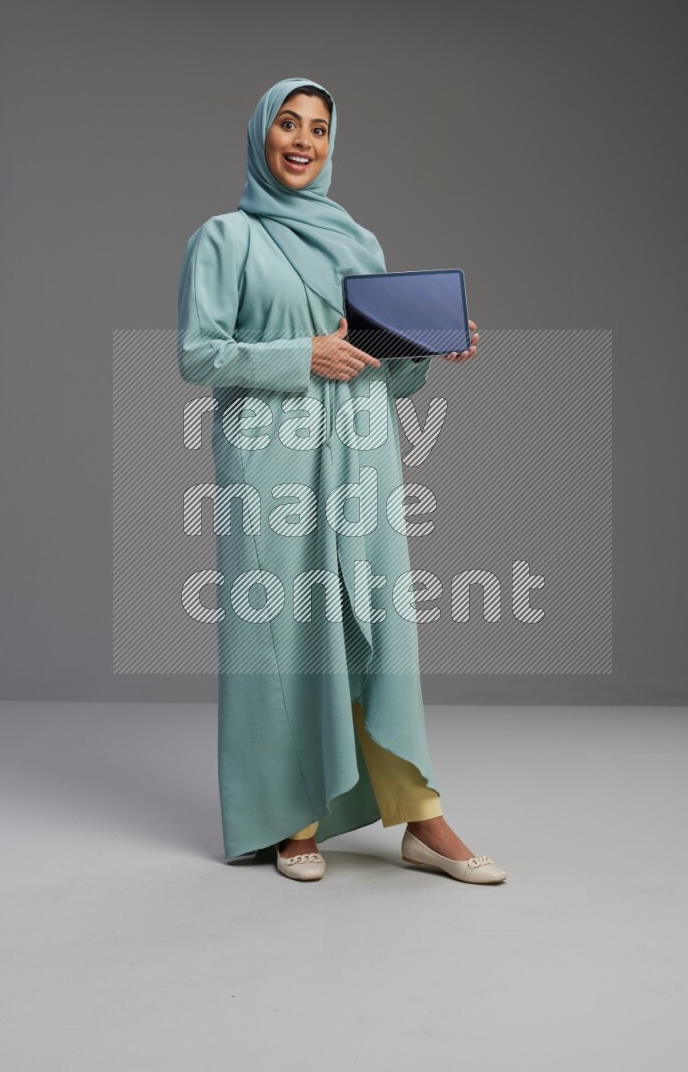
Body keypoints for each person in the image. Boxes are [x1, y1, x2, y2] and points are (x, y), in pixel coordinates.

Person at [177, 77, 506, 885]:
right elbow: (198, 354)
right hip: (271, 461)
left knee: (377, 623)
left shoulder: (360, 242)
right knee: (284, 632)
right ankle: (294, 817)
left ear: (331, 145)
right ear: (262, 135)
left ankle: (419, 816)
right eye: (287, 124)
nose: (302, 140)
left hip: (359, 453)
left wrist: (423, 350)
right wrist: (301, 356)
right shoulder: (224, 238)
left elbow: (378, 376)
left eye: (318, 130)